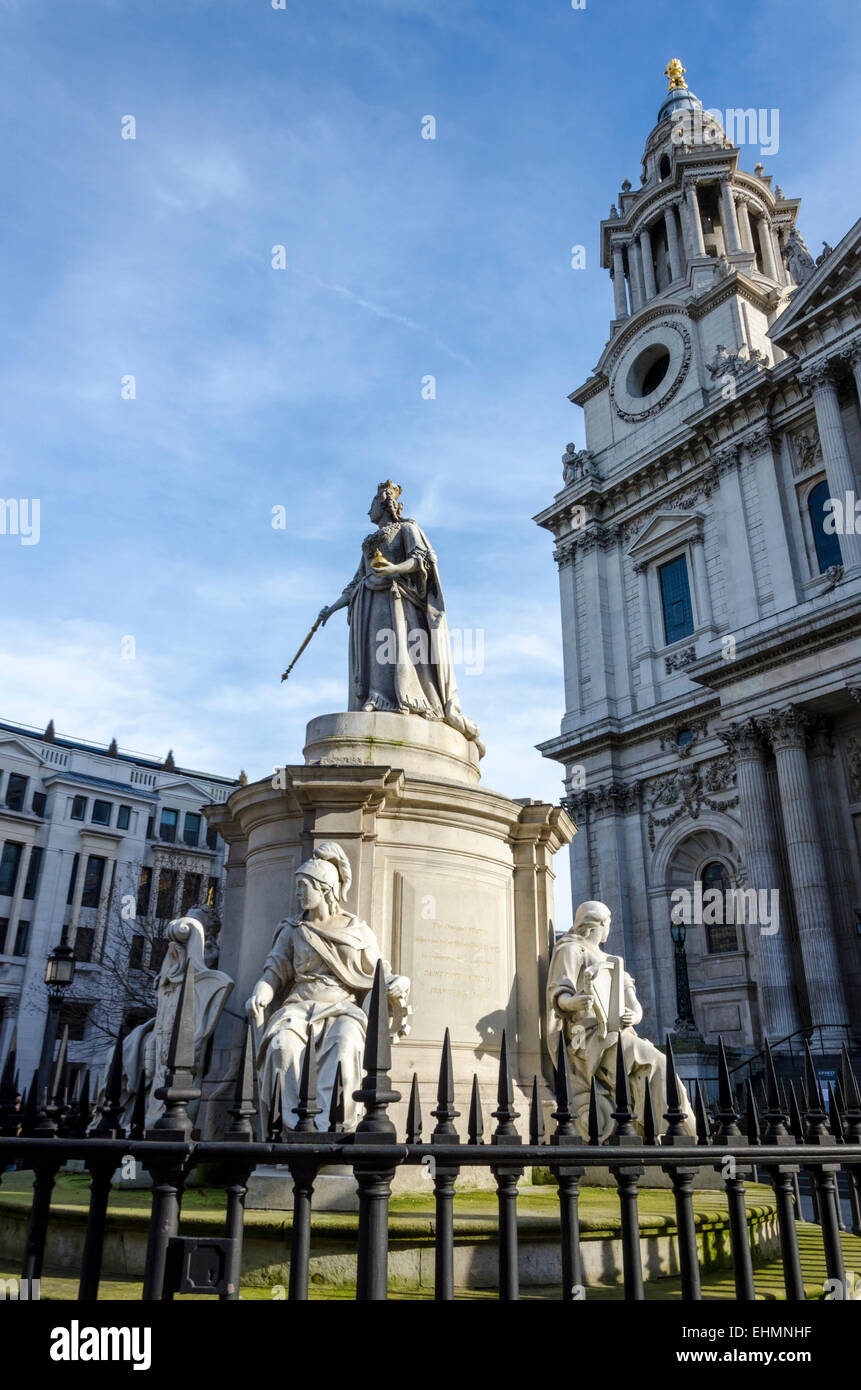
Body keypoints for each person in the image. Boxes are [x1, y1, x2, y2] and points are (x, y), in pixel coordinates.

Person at [245, 841, 410, 1131]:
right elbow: (276, 969)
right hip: (297, 1009)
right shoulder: (292, 929)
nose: (297, 893)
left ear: (324, 889)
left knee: (346, 1046)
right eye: (297, 885)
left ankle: (331, 1126)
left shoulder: (356, 931)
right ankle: (293, 1127)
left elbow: (379, 975)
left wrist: (400, 983)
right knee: (282, 1047)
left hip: (343, 1009)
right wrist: (263, 988)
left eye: (303, 886)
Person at [316, 480, 483, 753]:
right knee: (374, 650)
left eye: (371, 504)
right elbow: (357, 580)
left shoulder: (408, 529)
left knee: (393, 647)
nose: (367, 511)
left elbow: (422, 560)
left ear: (383, 504)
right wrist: (332, 608)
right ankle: (376, 695)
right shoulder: (368, 542)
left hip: (397, 599)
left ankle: (401, 698)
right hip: (368, 599)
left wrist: (393, 569)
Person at [547, 900, 695, 1141]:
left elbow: (635, 1006)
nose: (609, 928)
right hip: (587, 1037)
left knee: (659, 1064)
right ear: (599, 924)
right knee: (656, 1062)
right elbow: (559, 994)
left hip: (618, 1033)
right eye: (608, 923)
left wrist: (634, 1015)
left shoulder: (612, 960)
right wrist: (574, 1003)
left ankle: (664, 1129)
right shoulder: (571, 950)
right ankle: (668, 1132)